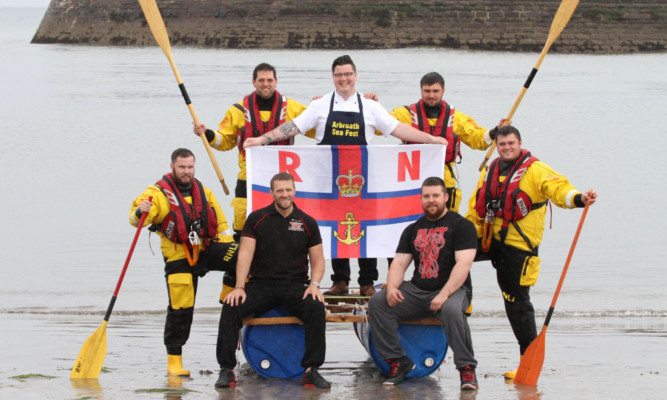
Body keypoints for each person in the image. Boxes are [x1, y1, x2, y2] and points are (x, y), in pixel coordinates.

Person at [243, 55, 448, 299]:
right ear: (333, 77)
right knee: (333, 228)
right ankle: (339, 281)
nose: (343, 79)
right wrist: (261, 140)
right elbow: (292, 127)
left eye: (348, 74)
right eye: (339, 74)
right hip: (329, 184)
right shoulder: (320, 106)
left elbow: (396, 129)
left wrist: (431, 139)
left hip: (363, 183)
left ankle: (367, 282)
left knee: (366, 228)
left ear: (355, 75)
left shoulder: (370, 106)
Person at [464, 126, 598, 379]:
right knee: (453, 252)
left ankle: (528, 361)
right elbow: (475, 206)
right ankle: (465, 302)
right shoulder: (489, 171)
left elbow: (559, 189)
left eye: (510, 143)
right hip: (490, 239)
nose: (506, 147)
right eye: (501, 144)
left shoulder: (536, 170)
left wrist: (579, 198)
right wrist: (461, 234)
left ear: (520, 143)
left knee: (516, 304)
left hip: (518, 246)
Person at [129, 148, 239, 376]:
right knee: (181, 308)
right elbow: (133, 219)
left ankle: (226, 297)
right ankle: (175, 363)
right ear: (172, 167)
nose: (186, 172)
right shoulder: (156, 194)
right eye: (182, 167)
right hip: (179, 255)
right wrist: (141, 211)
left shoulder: (204, 191)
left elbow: (221, 226)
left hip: (207, 249)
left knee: (242, 255)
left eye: (190, 167)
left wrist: (229, 249)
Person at [215, 172, 329, 389]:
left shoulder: (307, 222)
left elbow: (318, 260)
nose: (284, 194)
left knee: (316, 307)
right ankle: (226, 370)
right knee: (230, 307)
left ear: (294, 191)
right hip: (261, 286)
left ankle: (311, 370)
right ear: (272, 193)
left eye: (288, 190)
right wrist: (239, 286)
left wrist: (314, 284)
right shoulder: (257, 219)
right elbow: (245, 255)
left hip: (296, 286)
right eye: (280, 190)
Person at [368, 176, 479, 390]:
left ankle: (467, 370)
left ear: (446, 197)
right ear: (421, 199)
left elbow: (463, 265)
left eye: (436, 195)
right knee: (378, 302)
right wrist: (391, 288)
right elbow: (399, 264)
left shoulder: (462, 226)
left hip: (453, 290)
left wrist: (444, 294)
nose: (431, 200)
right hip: (418, 290)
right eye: (426, 196)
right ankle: (398, 361)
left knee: (453, 311)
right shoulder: (412, 229)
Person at [193, 63, 314, 242]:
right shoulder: (238, 110)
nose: (266, 84)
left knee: (282, 229)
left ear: (276, 82)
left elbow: (318, 125)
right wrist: (208, 134)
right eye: (261, 80)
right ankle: (240, 269)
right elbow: (225, 141)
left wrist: (319, 105)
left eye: (269, 80)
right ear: (253, 82)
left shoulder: (293, 109)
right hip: (248, 179)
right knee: (244, 232)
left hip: (281, 180)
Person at [392, 71, 506, 212]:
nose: (431, 95)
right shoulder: (404, 114)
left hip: (445, 182)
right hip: (414, 182)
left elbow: (477, 139)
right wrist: (370, 104)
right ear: (421, 90)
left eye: (435, 91)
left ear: (443, 91)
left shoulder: (456, 118)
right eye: (427, 91)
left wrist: (496, 131)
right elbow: (379, 124)